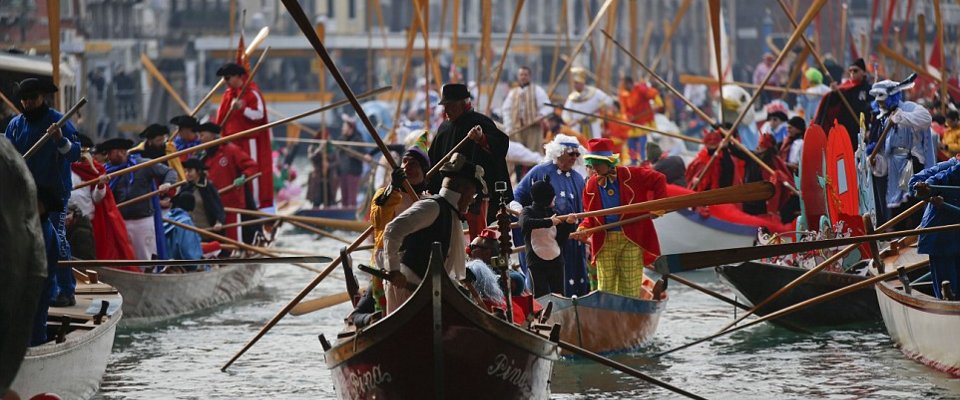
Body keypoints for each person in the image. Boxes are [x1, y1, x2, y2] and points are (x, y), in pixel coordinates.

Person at [383, 153, 485, 314]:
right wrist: (394, 270)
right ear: (461, 190)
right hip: (407, 286)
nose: (472, 200)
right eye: (473, 194)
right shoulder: (432, 207)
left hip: (427, 290)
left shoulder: (450, 213)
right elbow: (392, 230)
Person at [574, 138, 666, 296]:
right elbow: (590, 216)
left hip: (631, 237)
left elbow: (659, 179)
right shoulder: (590, 184)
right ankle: (609, 316)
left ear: (609, 162)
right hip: (604, 240)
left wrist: (657, 207)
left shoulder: (632, 174)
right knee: (605, 288)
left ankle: (628, 313)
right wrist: (583, 228)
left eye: (598, 163)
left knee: (629, 286)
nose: (594, 167)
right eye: (592, 163)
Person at [4, 78, 81, 263]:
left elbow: (74, 155)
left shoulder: (59, 122)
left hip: (54, 192)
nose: (28, 102)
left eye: (32, 97)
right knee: (25, 241)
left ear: (43, 97)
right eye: (24, 98)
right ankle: (38, 286)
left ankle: (65, 289)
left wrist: (60, 140)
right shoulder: (15, 125)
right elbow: (6, 155)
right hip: (26, 192)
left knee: (56, 239)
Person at [512, 134, 589, 295]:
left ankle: (573, 307)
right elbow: (516, 197)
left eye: (577, 154)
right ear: (559, 152)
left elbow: (586, 209)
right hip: (547, 238)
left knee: (573, 276)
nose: (575, 157)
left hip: (572, 237)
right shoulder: (540, 171)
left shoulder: (579, 178)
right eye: (571, 153)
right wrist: (522, 213)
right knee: (545, 283)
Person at [428, 83, 512, 232]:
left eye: (450, 105)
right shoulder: (444, 128)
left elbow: (500, 146)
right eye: (444, 106)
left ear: (463, 104)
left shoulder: (480, 123)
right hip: (447, 192)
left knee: (478, 232)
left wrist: (482, 139)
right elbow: (433, 158)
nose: (446, 110)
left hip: (475, 193)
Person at [369, 144, 431, 313]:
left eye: (414, 164)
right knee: (386, 311)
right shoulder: (384, 194)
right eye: (405, 162)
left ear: (424, 171)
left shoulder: (430, 201)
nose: (407, 167)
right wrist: (393, 188)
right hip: (386, 263)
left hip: (419, 265)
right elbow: (378, 221)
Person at [869, 76, 935, 227]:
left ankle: (916, 234)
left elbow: (926, 119)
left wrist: (902, 117)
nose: (880, 104)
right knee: (896, 208)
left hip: (910, 163)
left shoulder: (909, 107)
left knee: (913, 203)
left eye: (882, 100)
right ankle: (899, 240)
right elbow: (887, 150)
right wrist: (876, 161)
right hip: (894, 166)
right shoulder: (884, 118)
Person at [214, 62, 275, 214]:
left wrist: (243, 108)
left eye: (228, 78)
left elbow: (259, 115)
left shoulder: (251, 92)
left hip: (248, 141)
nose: (226, 82)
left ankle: (253, 207)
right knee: (232, 175)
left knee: (251, 173)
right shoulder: (228, 95)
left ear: (238, 77)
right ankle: (236, 206)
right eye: (224, 79)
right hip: (230, 142)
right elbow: (220, 119)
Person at [102, 138, 177, 261]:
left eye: (110, 153)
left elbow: (169, 172)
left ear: (120, 152)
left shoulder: (143, 164)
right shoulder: (107, 171)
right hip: (120, 221)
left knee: (144, 257)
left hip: (142, 221)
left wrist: (167, 184)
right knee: (123, 258)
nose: (108, 156)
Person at [196, 122, 259, 242]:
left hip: (231, 203)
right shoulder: (202, 156)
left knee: (233, 239)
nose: (200, 138)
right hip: (212, 205)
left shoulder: (230, 150)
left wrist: (243, 177)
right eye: (199, 135)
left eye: (203, 135)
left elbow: (252, 166)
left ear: (213, 135)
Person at [911, 160, 960, 299]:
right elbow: (914, 184)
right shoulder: (950, 168)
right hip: (941, 239)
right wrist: (927, 190)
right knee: (949, 293)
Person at [520, 180, 577, 297]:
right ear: (546, 198)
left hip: (556, 261)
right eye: (552, 198)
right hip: (536, 262)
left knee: (560, 295)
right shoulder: (528, 211)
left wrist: (568, 224)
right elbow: (525, 223)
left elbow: (561, 239)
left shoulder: (555, 212)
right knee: (541, 296)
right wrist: (549, 222)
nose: (554, 200)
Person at [815, 58, 874, 147]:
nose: (852, 73)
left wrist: (870, 129)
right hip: (845, 128)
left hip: (861, 128)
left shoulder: (869, 89)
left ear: (863, 72)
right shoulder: (845, 88)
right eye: (850, 71)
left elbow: (872, 108)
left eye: (855, 71)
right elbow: (833, 103)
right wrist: (834, 92)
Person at [730, 134, 793, 217]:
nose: (757, 147)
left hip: (762, 198)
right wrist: (729, 144)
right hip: (749, 196)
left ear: (766, 148)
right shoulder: (752, 156)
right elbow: (736, 151)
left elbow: (779, 179)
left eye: (760, 146)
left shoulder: (773, 161)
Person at [501, 66, 551, 153]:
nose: (523, 77)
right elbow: (506, 110)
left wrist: (541, 115)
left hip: (533, 130)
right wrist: (508, 126)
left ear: (530, 76)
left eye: (525, 75)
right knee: (518, 155)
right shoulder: (513, 93)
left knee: (533, 155)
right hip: (517, 131)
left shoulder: (537, 90)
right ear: (518, 76)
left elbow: (548, 107)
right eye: (521, 75)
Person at [562, 67, 613, 140]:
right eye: (574, 83)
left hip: (593, 126)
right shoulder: (571, 98)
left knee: (595, 145)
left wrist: (601, 106)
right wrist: (571, 121)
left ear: (582, 82)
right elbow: (565, 114)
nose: (575, 85)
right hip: (578, 127)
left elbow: (608, 100)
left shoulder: (595, 93)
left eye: (576, 83)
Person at [619, 76, 660, 164]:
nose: (624, 87)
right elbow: (624, 109)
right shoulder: (624, 94)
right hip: (632, 124)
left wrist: (658, 103)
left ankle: (643, 161)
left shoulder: (640, 89)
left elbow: (653, 94)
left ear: (629, 83)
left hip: (642, 122)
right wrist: (627, 117)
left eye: (625, 84)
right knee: (631, 146)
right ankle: (633, 161)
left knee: (642, 146)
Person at [180, 157, 226, 231]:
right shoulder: (185, 188)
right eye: (185, 171)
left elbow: (217, 206)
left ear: (198, 171)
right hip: (190, 232)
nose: (187, 174)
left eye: (190, 171)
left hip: (207, 231)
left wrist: (219, 222)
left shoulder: (208, 187)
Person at [162, 193, 204, 272]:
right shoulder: (185, 222)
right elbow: (188, 250)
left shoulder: (166, 217)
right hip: (181, 267)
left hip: (165, 261)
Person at [337, 114, 365, 207]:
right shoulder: (342, 139)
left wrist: (351, 150)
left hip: (353, 172)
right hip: (343, 172)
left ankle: (351, 214)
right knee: (344, 198)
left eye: (344, 127)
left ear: (350, 128)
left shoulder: (358, 139)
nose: (342, 129)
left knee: (351, 199)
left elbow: (358, 153)